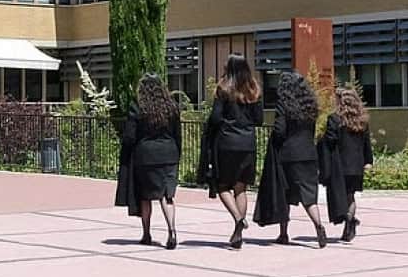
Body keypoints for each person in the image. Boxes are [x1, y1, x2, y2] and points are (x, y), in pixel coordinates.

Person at [199, 54, 264, 249]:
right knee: (240, 187)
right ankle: (238, 233)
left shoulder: (223, 88)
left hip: (227, 142)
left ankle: (238, 219)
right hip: (247, 143)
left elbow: (215, 117)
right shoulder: (254, 89)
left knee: (222, 185)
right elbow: (259, 120)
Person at [115, 74, 183, 249]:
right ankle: (172, 229)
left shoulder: (138, 106)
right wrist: (177, 154)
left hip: (146, 156)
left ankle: (146, 234)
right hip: (169, 154)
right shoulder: (171, 106)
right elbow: (178, 134)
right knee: (167, 196)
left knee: (145, 197)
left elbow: (130, 136)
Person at [271, 72, 328, 248]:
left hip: (289, 154)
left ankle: (283, 233)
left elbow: (280, 130)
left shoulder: (284, 105)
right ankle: (318, 225)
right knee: (309, 195)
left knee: (285, 193)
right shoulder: (310, 106)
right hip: (309, 153)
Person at [323, 87, 374, 242]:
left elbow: (330, 140)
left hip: (340, 165)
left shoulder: (335, 119)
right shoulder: (362, 121)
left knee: (339, 194)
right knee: (350, 196)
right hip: (356, 165)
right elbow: (366, 143)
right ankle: (349, 223)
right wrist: (368, 161)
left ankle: (347, 220)